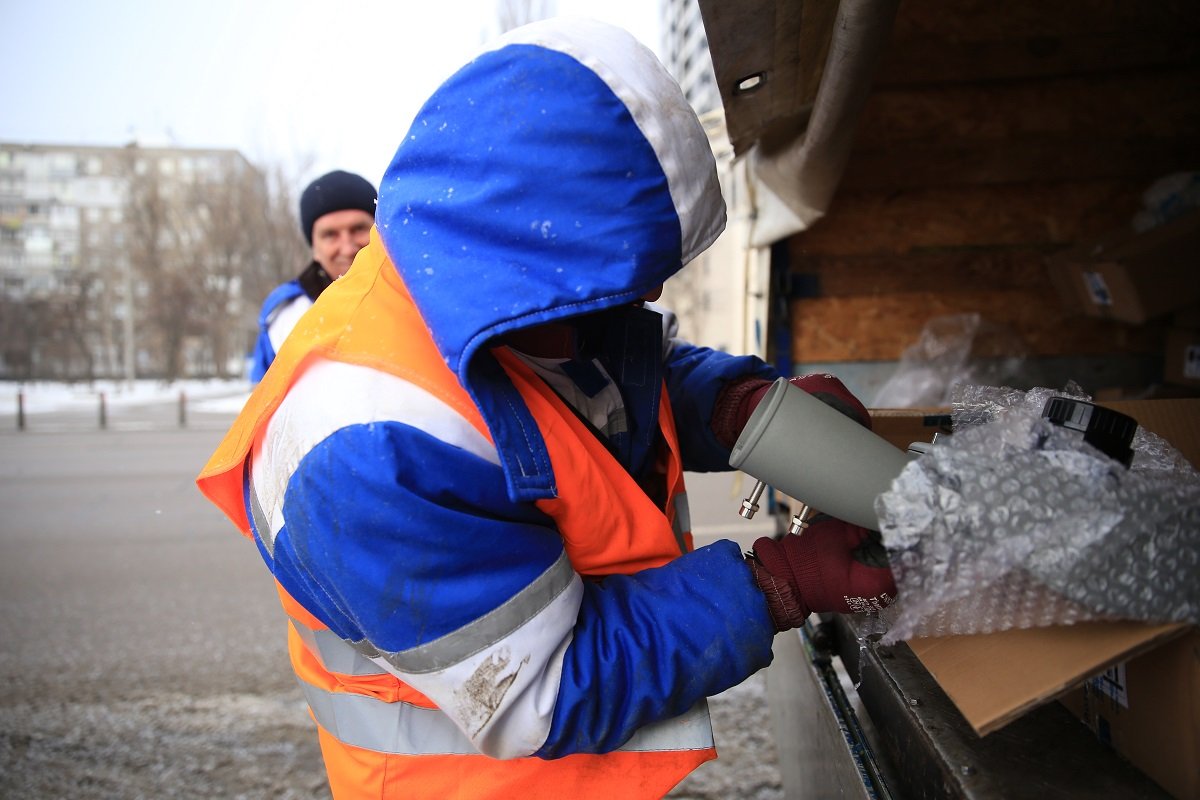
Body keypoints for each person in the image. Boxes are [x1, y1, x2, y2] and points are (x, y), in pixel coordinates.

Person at [199, 17, 896, 799]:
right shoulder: (366, 452)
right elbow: (542, 688)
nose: (652, 294)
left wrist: (736, 403)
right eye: (629, 268)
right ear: (533, 259)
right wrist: (777, 584)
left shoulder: (492, 286)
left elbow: (609, 383)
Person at [248, 169, 377, 383]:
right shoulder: (284, 315)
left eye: (358, 229)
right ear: (314, 246)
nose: (347, 248)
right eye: (330, 235)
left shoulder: (417, 299)